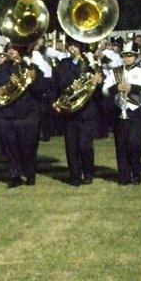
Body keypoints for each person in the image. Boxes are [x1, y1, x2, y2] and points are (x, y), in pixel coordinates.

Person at [0, 42, 45, 187]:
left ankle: (30, 174)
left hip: (28, 115)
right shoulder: (1, 69)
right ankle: (14, 176)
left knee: (28, 147)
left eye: (15, 48)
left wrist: (34, 80)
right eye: (9, 49)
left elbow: (42, 89)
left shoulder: (31, 67)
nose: (11, 51)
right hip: (7, 116)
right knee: (10, 149)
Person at [50, 37, 103, 186]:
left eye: (76, 45)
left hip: (87, 111)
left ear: (81, 46)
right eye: (70, 46)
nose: (73, 48)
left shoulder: (90, 63)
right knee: (71, 146)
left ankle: (88, 172)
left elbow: (100, 89)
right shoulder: (62, 64)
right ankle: (74, 176)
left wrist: (99, 81)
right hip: (69, 112)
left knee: (85, 145)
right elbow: (54, 85)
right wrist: (54, 102)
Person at [103, 40, 141, 185]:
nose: (127, 58)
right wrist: (116, 87)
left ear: (136, 56)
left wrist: (133, 88)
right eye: (125, 55)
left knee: (134, 144)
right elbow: (104, 89)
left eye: (130, 55)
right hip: (120, 111)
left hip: (137, 112)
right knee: (121, 145)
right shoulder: (116, 72)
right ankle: (124, 177)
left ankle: (136, 173)